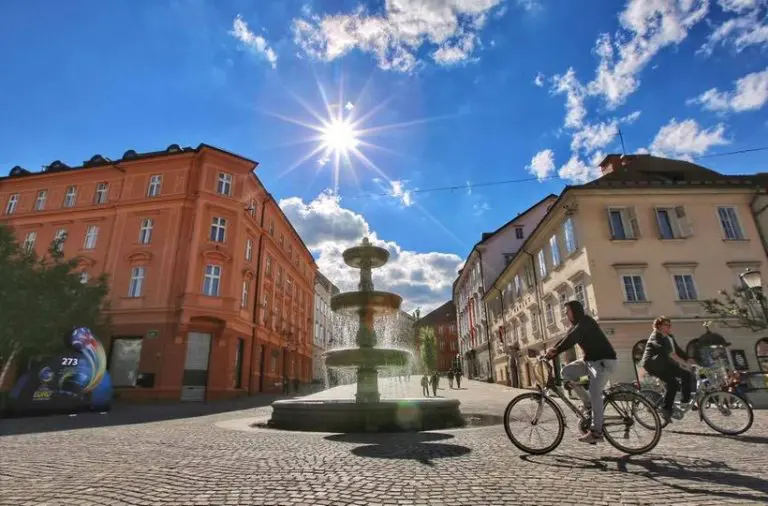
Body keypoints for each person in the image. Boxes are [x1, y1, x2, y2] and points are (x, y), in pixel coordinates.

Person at [545, 300, 617, 444]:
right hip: (590, 362)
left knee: (595, 390)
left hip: (604, 361)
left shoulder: (586, 322)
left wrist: (557, 351)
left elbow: (572, 338)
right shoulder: (575, 326)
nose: (566, 314)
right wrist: (551, 351)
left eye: (568, 311)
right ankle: (588, 403)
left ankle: (597, 432)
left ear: (575, 311)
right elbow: (564, 339)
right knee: (566, 372)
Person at [640, 317, 696, 422]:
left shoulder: (669, 336)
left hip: (666, 364)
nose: (669, 326)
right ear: (659, 326)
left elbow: (677, 350)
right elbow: (670, 354)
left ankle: (685, 401)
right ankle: (666, 409)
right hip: (654, 365)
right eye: (666, 324)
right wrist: (684, 363)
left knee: (686, 374)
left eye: (670, 324)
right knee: (673, 384)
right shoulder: (656, 336)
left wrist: (688, 358)